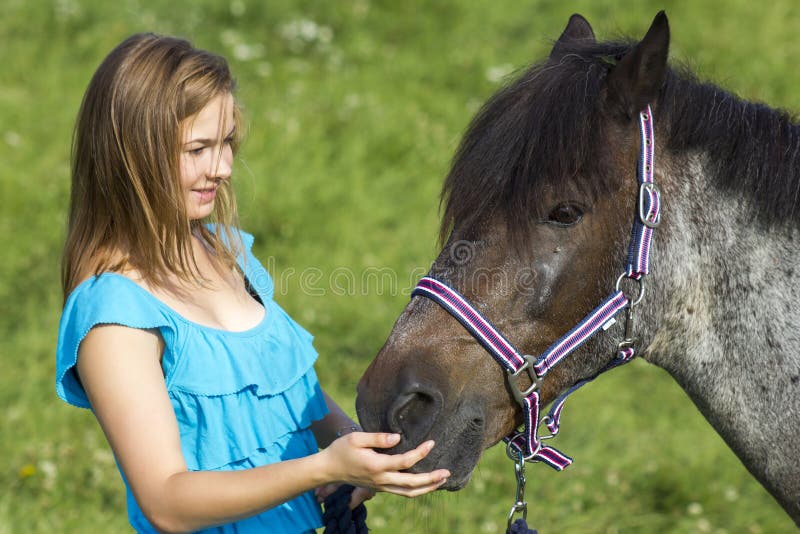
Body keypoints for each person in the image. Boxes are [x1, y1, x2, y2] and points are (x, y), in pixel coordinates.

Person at [55, 33, 450, 533]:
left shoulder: (226, 251)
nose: (221, 169)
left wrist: (364, 450)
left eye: (227, 144)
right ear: (132, 154)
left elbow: (284, 387)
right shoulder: (115, 313)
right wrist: (322, 468)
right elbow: (166, 501)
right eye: (197, 148)